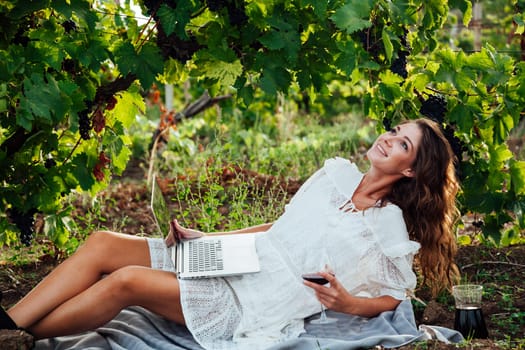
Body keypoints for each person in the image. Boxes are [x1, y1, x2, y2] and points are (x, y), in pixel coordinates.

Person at [0, 117, 460, 349]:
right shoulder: (334, 174)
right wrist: (209, 238)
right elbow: (276, 230)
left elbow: (396, 296)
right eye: (396, 130)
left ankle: (21, 341)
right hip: (238, 258)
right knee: (103, 242)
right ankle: (8, 326)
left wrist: (348, 303)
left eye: (403, 144)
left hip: (256, 302)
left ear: (412, 171)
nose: (389, 138)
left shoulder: (387, 226)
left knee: (126, 283)